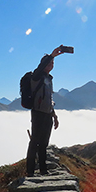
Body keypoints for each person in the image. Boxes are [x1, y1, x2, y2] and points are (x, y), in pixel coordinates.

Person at [26, 46, 67, 176]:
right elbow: (40, 68)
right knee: (34, 143)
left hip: (47, 115)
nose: (51, 65)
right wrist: (51, 55)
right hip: (37, 113)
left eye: (52, 63)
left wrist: (54, 116)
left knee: (44, 143)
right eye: (49, 63)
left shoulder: (49, 79)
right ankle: (30, 171)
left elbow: (49, 99)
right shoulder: (36, 76)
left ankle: (43, 170)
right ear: (43, 64)